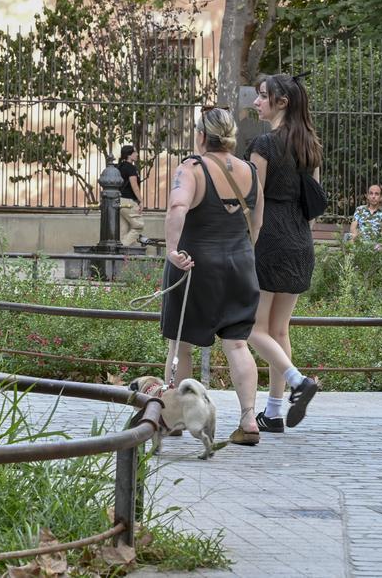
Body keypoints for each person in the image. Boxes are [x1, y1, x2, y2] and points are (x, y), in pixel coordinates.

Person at [161, 108, 266, 445]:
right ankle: (249, 419)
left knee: (181, 344)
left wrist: (172, 249)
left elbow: (178, 206)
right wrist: (242, 253)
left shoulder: (191, 168)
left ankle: (175, 419)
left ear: (202, 136)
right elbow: (257, 223)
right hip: (240, 264)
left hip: (194, 266)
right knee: (237, 343)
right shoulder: (250, 170)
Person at [245, 73, 320, 432]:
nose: (257, 102)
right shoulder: (310, 145)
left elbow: (254, 199)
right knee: (279, 329)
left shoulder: (264, 144)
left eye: (263, 96)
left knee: (251, 328)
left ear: (281, 102)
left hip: (270, 237)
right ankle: (274, 413)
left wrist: (249, 241)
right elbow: (313, 196)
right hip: (300, 238)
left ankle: (297, 381)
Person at [117, 144, 149, 246]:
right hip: (129, 201)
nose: (137, 154)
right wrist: (140, 201)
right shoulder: (131, 168)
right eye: (135, 152)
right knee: (138, 225)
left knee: (124, 230)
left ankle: (123, 258)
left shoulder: (119, 167)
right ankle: (122, 247)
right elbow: (134, 186)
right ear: (129, 155)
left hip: (119, 202)